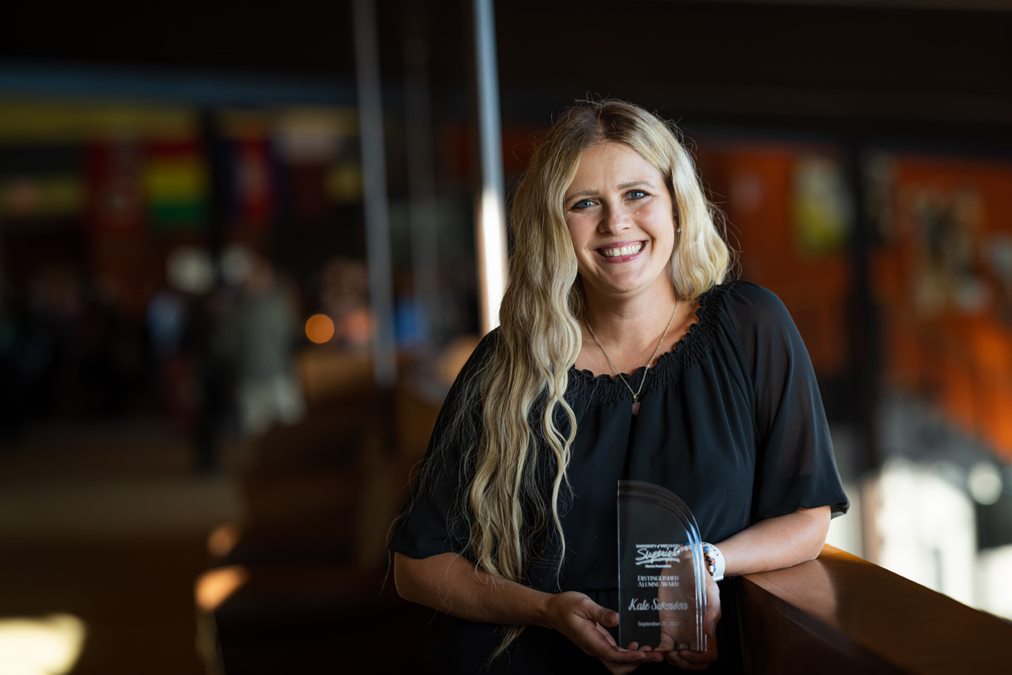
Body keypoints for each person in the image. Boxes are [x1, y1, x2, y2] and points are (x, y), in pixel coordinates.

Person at [389, 100, 849, 674]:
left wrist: (708, 563)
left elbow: (808, 518)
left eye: (637, 194)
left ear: (676, 205)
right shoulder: (506, 364)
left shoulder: (750, 325)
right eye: (585, 204)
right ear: (555, 226)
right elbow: (418, 565)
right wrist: (548, 610)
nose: (616, 223)